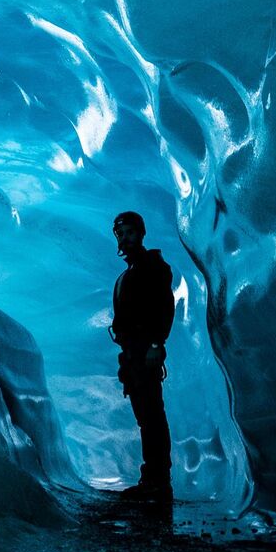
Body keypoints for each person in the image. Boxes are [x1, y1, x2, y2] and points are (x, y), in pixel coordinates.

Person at [110, 210, 174, 499]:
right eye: (121, 234)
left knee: (152, 415)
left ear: (141, 233)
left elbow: (164, 307)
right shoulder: (130, 273)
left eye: (130, 232)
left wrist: (156, 345)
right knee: (145, 416)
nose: (125, 238)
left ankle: (158, 479)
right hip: (132, 354)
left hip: (145, 350)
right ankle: (153, 477)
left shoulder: (153, 267)